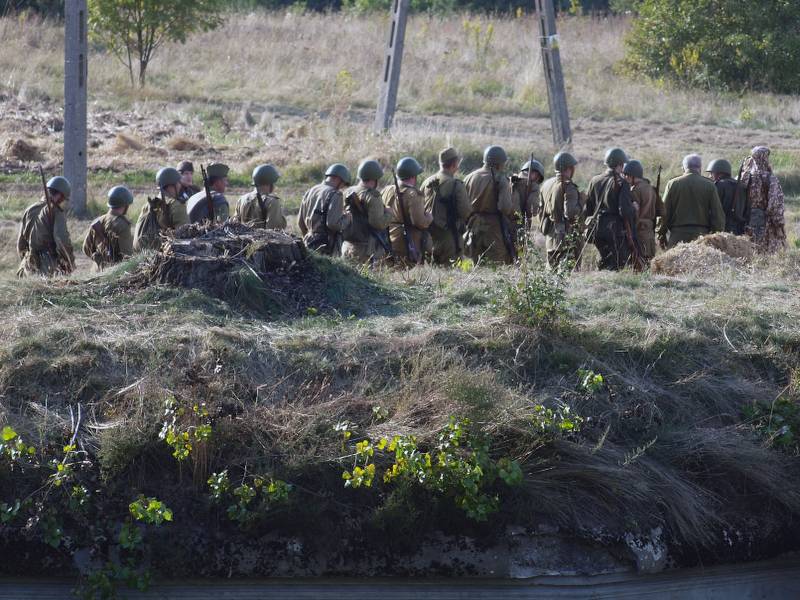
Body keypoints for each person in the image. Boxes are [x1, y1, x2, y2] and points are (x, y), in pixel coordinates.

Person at [584, 148, 638, 270]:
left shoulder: (594, 180)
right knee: (619, 264)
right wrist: (633, 209)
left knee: (603, 261)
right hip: (615, 230)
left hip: (597, 229)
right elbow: (624, 211)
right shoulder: (622, 182)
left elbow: (588, 208)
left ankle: (600, 280)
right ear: (620, 164)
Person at [658, 154, 725, 248]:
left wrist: (661, 233)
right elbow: (717, 215)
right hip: (702, 237)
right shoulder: (710, 185)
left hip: (677, 236)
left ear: (683, 167)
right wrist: (716, 235)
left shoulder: (673, 184)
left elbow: (664, 212)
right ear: (700, 168)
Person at [419, 147, 471, 265]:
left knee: (432, 272)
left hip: (428, 238)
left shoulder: (426, 182)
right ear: (454, 164)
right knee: (451, 272)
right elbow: (466, 212)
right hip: (449, 237)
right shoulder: (456, 185)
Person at [464, 145, 515, 265]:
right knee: (497, 264)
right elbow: (505, 207)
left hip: (472, 225)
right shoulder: (500, 179)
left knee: (475, 263)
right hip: (493, 227)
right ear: (498, 164)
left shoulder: (469, 177)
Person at [16, 175, 75, 277]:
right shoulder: (56, 212)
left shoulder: (29, 210)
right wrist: (69, 262)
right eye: (63, 198)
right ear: (60, 196)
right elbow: (62, 240)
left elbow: (20, 244)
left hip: (27, 267)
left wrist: (27, 261)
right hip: (48, 269)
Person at [341, 159, 393, 264]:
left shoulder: (347, 191)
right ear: (375, 179)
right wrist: (389, 213)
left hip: (346, 246)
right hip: (365, 250)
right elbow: (378, 223)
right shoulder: (373, 196)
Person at [383, 157, 431, 266]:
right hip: (407, 245)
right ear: (413, 176)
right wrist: (429, 218)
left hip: (388, 240)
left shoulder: (387, 190)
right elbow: (420, 222)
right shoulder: (413, 194)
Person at [538, 152, 581, 268]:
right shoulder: (569, 187)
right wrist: (581, 202)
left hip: (550, 236)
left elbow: (541, 212)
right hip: (565, 237)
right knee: (568, 272)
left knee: (551, 271)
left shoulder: (546, 184)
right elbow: (570, 213)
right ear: (569, 168)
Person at [740, 147, 786, 254]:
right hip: (765, 222)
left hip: (745, 219)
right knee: (765, 251)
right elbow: (775, 204)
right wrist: (779, 224)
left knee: (748, 249)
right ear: (765, 158)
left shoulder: (743, 177)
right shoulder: (770, 178)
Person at [298, 163, 351, 255]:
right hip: (325, 245)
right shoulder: (336, 194)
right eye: (343, 183)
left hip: (308, 240)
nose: (342, 187)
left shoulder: (311, 190)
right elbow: (333, 224)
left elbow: (300, 222)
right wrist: (347, 218)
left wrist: (308, 236)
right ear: (338, 179)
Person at [83, 186, 134, 270]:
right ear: (125, 205)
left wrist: (99, 259)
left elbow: (86, 249)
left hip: (97, 272)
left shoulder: (98, 221)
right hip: (116, 273)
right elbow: (127, 256)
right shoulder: (123, 225)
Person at [623, 159, 663, 265]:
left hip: (639, 231)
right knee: (649, 261)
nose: (625, 177)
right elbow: (662, 211)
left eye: (627, 175)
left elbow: (635, 214)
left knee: (638, 263)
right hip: (649, 230)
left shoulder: (635, 190)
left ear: (632, 175)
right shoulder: (650, 188)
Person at [236, 164, 287, 230]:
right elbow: (273, 230)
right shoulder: (272, 202)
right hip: (262, 237)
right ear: (270, 183)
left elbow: (235, 224)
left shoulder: (242, 199)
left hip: (242, 236)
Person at [706, 159, 748, 235]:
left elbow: (714, 208)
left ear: (719, 173)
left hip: (723, 228)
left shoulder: (719, 185)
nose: (710, 176)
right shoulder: (741, 186)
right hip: (739, 228)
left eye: (712, 173)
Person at [511, 158, 545, 238]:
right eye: (538, 177)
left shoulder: (511, 180)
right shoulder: (534, 186)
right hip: (520, 224)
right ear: (536, 174)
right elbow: (531, 210)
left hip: (503, 223)